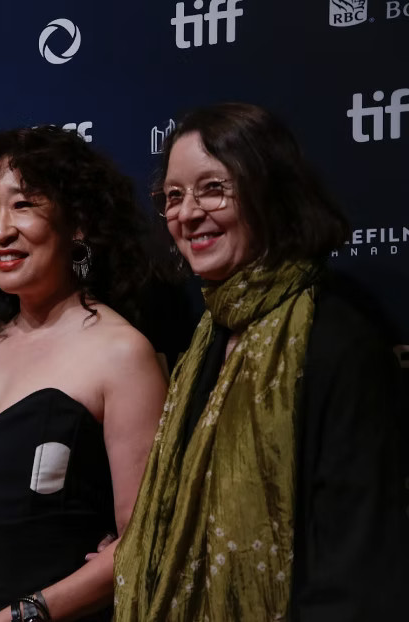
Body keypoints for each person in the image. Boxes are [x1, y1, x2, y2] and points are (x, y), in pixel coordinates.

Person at [113, 102, 407, 621]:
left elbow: (359, 553)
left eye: (213, 188)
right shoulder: (207, 333)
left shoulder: (336, 337)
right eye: (174, 196)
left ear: (269, 192)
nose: (187, 213)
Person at [0, 126, 169, 622]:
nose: (0, 229)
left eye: (25, 204)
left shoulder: (121, 353)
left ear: (77, 221)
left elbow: (142, 541)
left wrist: (26, 615)